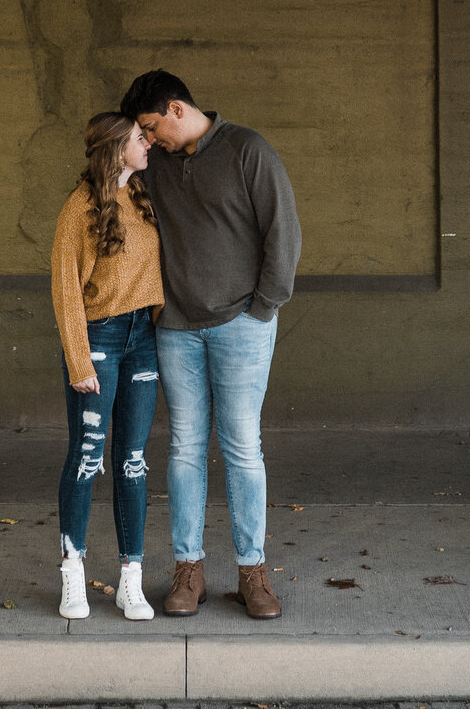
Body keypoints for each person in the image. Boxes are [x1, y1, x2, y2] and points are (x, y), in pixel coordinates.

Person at [120, 68, 300, 620]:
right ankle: (188, 571)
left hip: (242, 324)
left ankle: (253, 572)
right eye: (141, 134)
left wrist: (262, 308)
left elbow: (284, 233)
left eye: (151, 127)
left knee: (243, 447)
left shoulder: (248, 150)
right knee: (185, 449)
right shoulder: (155, 166)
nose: (148, 140)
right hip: (175, 327)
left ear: (177, 109)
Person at [47, 111, 164, 620]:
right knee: (88, 456)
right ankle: (73, 574)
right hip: (99, 337)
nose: (149, 144)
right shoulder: (79, 208)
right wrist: (78, 359)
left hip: (144, 338)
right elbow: (65, 289)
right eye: (141, 139)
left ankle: (129, 581)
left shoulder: (142, 197)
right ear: (117, 148)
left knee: (132, 460)